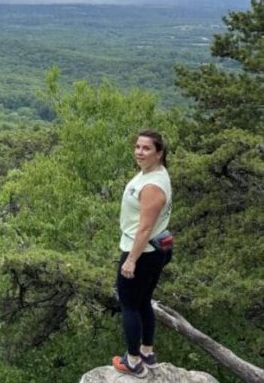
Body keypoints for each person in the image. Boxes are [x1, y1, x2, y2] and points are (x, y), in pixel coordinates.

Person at [112, 130, 172, 378]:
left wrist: (131, 261)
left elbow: (145, 227)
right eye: (137, 147)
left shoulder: (152, 185)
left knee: (129, 305)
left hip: (143, 252)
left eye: (146, 148)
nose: (139, 151)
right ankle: (147, 351)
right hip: (154, 248)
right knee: (143, 300)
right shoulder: (152, 173)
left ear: (159, 153)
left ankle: (133, 361)